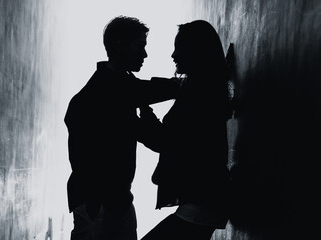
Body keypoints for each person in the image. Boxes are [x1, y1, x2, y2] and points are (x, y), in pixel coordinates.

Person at [64, 16, 179, 240]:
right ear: (119, 45)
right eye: (140, 45)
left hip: (114, 202)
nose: (144, 54)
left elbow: (151, 134)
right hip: (99, 204)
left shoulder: (117, 88)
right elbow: (145, 93)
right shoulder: (107, 91)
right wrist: (185, 85)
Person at [138, 20, 232, 240]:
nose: (173, 55)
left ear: (195, 52)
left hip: (201, 201)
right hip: (206, 200)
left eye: (179, 48)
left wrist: (140, 118)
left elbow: (165, 141)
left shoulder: (198, 92)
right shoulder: (206, 86)